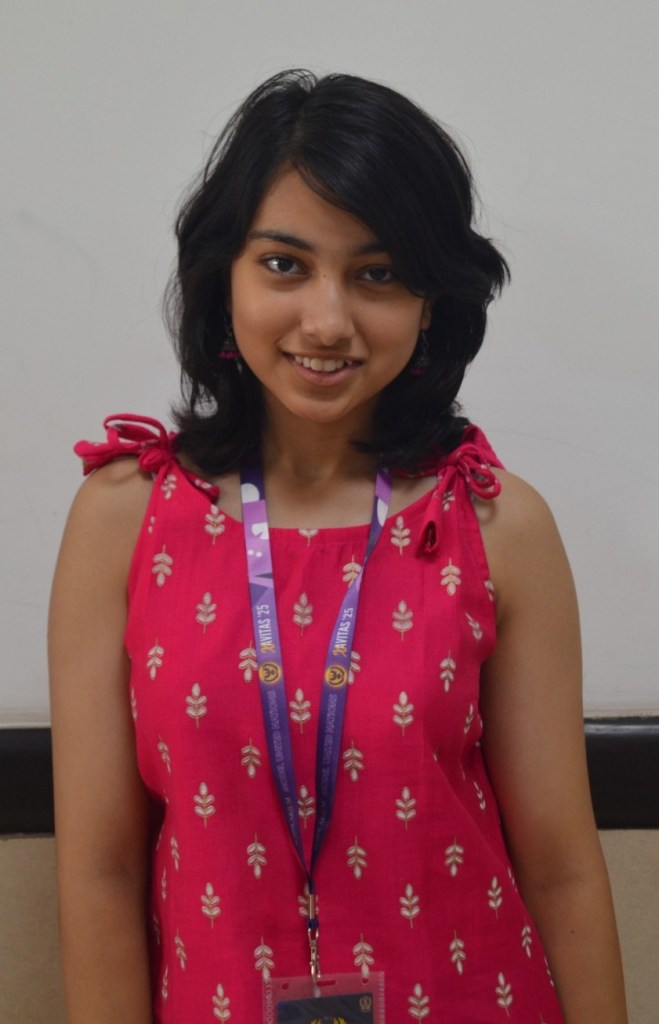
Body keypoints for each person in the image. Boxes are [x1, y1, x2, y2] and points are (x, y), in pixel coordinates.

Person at [48, 69, 628, 1023]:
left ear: (432, 301)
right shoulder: (124, 517)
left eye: (378, 273)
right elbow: (101, 872)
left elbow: (561, 867)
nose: (326, 321)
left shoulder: (496, 526)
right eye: (284, 264)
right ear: (223, 275)